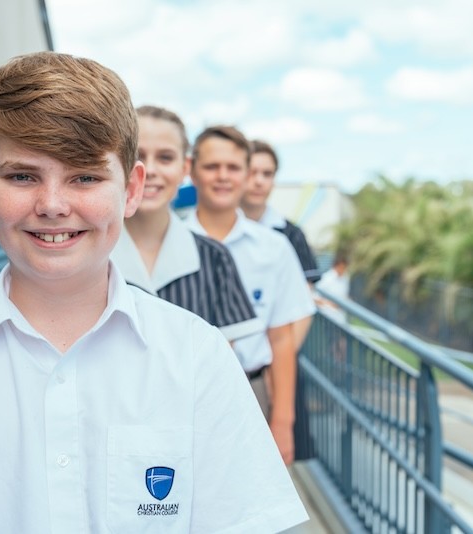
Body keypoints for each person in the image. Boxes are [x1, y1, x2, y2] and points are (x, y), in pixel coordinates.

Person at [0, 52, 308, 533]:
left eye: (85, 176)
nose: (53, 205)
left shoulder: (197, 357)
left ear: (131, 189)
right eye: (22, 175)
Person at [185, 125, 316, 465]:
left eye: (233, 167)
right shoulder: (172, 245)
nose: (223, 176)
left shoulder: (274, 248)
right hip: (183, 396)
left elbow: (282, 340)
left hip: (254, 391)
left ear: (245, 174)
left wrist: (283, 422)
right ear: (192, 170)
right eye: (212, 166)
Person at [111, 105, 263, 343]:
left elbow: (223, 363)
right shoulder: (85, 251)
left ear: (185, 168)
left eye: (165, 157)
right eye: (137, 156)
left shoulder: (215, 259)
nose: (149, 170)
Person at [241, 139, 320, 352]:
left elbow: (302, 303)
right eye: (251, 172)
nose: (259, 181)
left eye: (267, 174)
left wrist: (278, 363)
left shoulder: (290, 235)